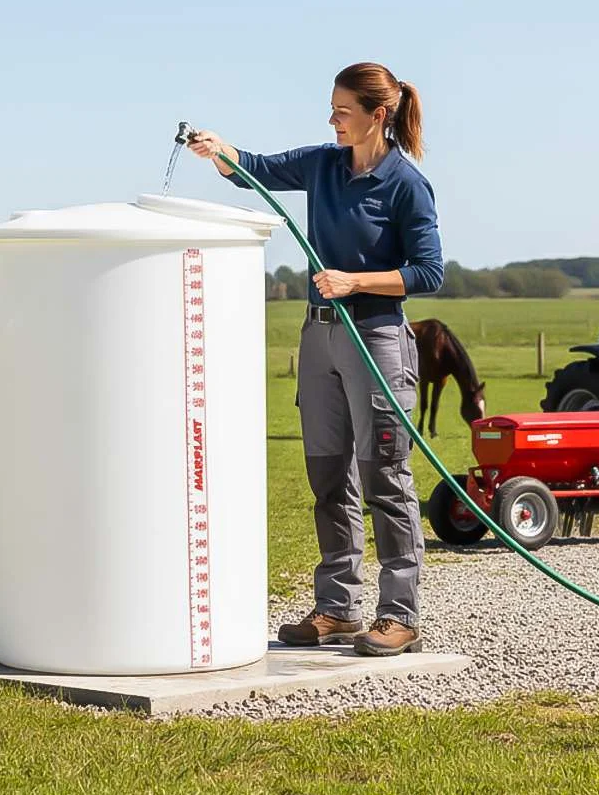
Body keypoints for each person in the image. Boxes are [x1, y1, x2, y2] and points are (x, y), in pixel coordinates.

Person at [188, 62, 443, 656]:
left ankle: (398, 615)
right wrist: (219, 150)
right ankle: (337, 608)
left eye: (342, 110)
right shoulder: (323, 165)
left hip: (375, 338)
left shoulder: (406, 184)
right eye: (332, 108)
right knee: (329, 477)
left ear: (378, 115)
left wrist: (356, 282)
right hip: (319, 337)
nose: (331, 119)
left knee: (385, 477)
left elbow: (429, 272)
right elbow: (255, 169)